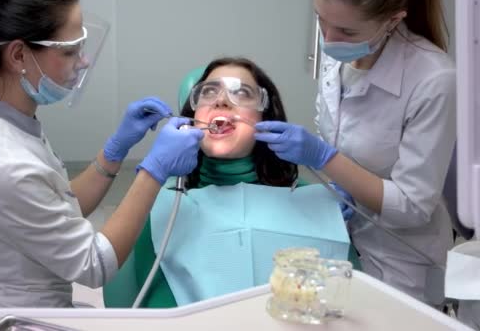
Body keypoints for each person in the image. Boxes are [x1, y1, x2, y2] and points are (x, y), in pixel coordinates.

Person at [0, 0, 203, 308]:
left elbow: (58, 205)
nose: (83, 61)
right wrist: (153, 172)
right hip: (2, 315)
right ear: (18, 56)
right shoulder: (0, 161)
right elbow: (94, 265)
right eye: (71, 50)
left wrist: (114, 151)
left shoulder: (0, 118)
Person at [254, 0, 456, 303]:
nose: (330, 40)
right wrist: (335, 185)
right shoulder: (338, 59)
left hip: (400, 260)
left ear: (392, 20)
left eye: (347, 32)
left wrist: (323, 158)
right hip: (339, 242)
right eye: (321, 20)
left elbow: (413, 207)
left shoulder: (435, 80)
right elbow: (338, 138)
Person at [124, 57, 341, 308]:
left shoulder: (310, 201)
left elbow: (337, 301)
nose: (222, 101)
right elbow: (155, 308)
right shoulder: (162, 203)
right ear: (192, 117)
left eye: (241, 93)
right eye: (208, 92)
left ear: (264, 117)